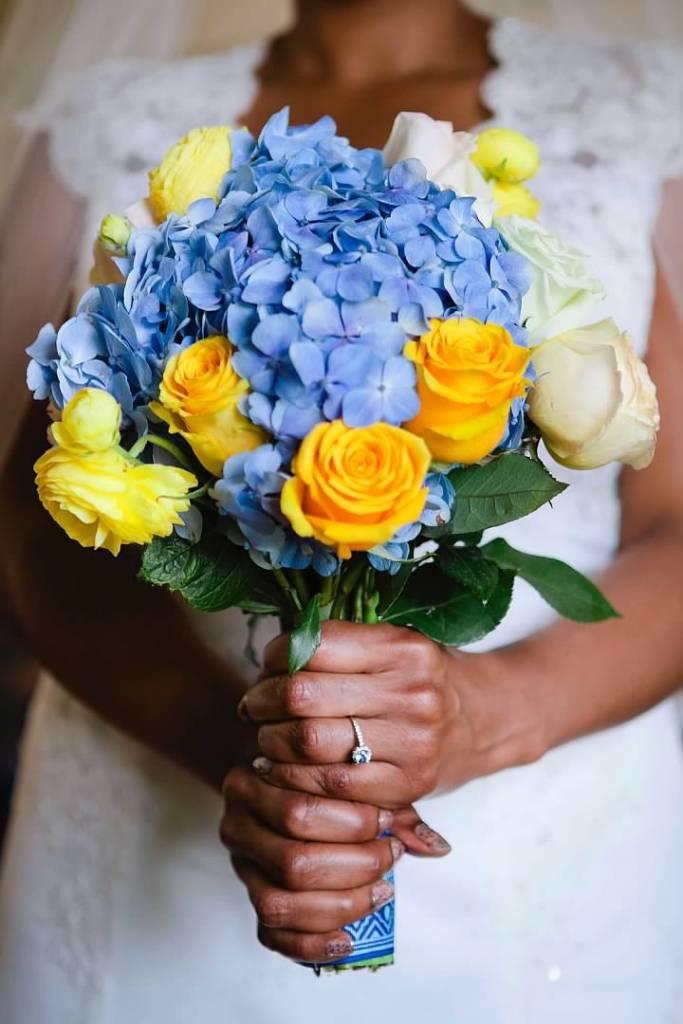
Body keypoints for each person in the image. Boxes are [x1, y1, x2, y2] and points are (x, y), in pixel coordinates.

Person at [1, 1, 683, 1021]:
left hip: (540, 835)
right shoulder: (112, 121)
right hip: (155, 774)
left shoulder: (641, 112)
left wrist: (485, 716)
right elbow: (36, 523)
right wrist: (250, 757)